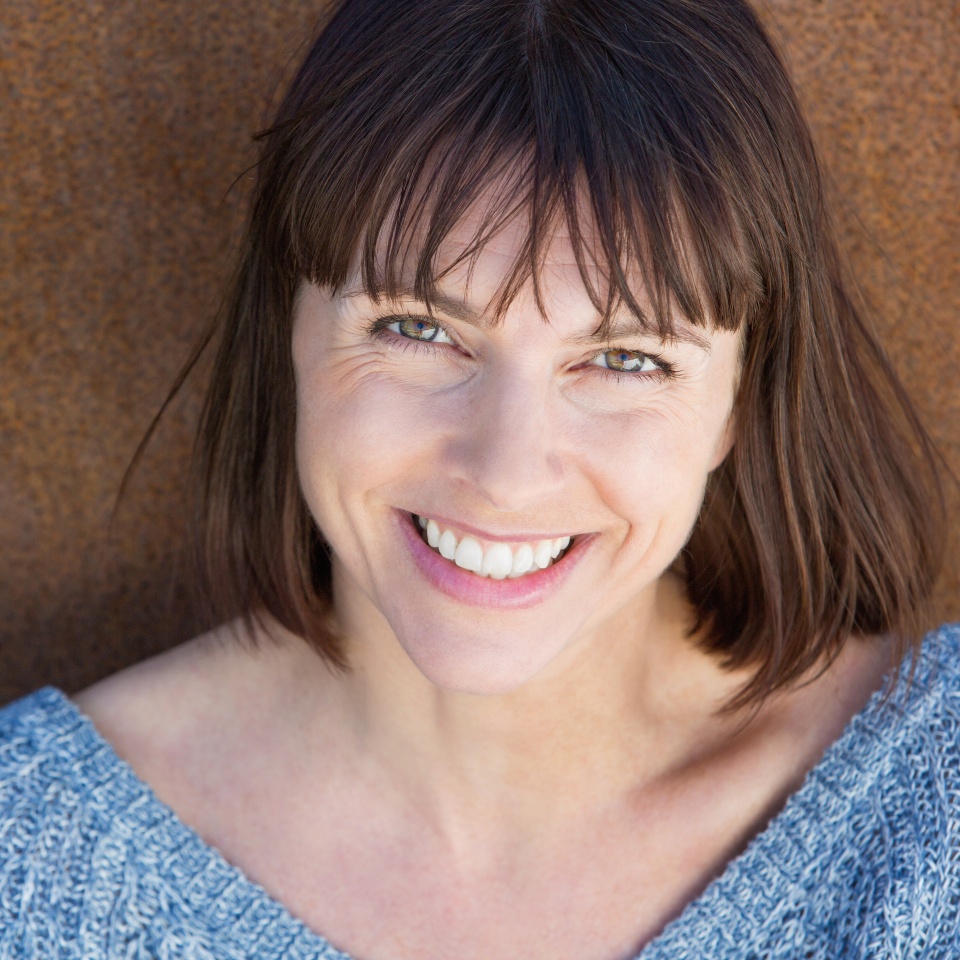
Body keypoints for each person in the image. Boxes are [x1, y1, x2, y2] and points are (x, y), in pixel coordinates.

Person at [0, 0, 956, 956]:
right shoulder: (31, 867)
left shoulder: (936, 814)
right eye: (419, 329)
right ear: (286, 335)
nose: (505, 474)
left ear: (744, 397)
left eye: (626, 358)